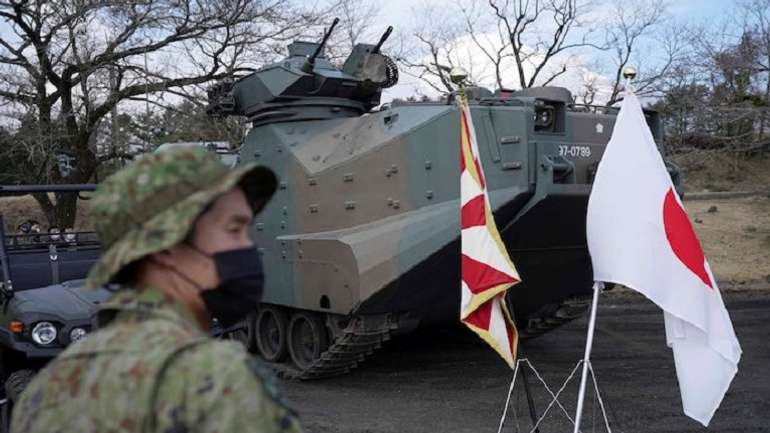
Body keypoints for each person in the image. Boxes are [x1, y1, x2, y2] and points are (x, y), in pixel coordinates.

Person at [11, 147, 301, 433]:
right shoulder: (220, 381)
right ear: (167, 247)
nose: (247, 247)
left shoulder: (46, 392)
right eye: (233, 230)